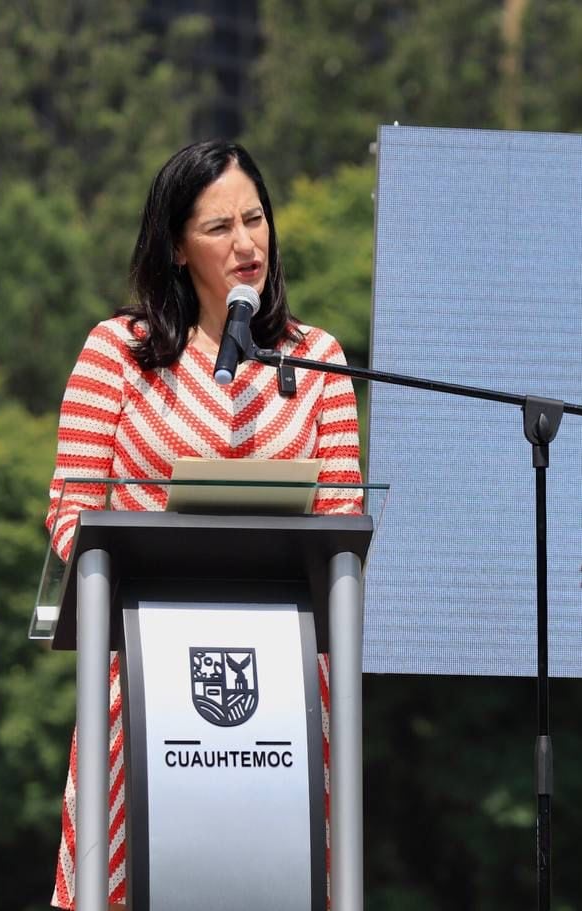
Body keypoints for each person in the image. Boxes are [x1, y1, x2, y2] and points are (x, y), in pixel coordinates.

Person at [46, 139, 362, 909]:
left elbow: (342, 523)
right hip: (146, 683)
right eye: (219, 228)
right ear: (178, 248)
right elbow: (68, 511)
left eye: (255, 219)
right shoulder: (117, 354)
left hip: (283, 699)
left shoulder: (316, 361)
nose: (246, 243)